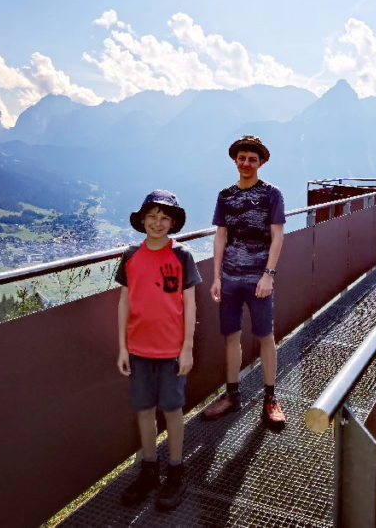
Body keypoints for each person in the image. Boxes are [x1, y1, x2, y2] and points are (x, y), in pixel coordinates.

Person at [115, 190, 202, 510]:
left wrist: (187, 348)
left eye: (165, 217)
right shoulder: (130, 255)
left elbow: (190, 304)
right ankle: (149, 470)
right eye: (151, 216)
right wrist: (122, 347)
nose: (157, 222)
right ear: (141, 220)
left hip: (171, 350)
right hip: (138, 349)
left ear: (174, 222)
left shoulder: (182, 255)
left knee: (173, 410)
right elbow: (124, 302)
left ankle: (176, 473)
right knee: (143, 411)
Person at [202, 135, 287, 428]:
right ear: (235, 160)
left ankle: (270, 399)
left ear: (261, 162)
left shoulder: (271, 194)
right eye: (242, 158)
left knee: (266, 337)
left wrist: (268, 274)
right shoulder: (225, 195)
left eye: (252, 159)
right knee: (231, 337)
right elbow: (221, 237)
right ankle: (232, 395)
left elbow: (277, 235)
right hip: (229, 278)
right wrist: (215, 277)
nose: (246, 163)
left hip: (258, 279)